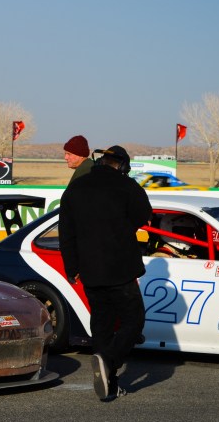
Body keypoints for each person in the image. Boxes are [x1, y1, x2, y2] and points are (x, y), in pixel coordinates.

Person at [58, 145, 152, 401]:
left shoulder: (75, 188)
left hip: (89, 269)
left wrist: (71, 267)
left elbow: (66, 233)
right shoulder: (126, 186)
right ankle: (108, 361)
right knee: (134, 321)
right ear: (121, 165)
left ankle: (109, 384)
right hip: (120, 268)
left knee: (102, 322)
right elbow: (145, 215)